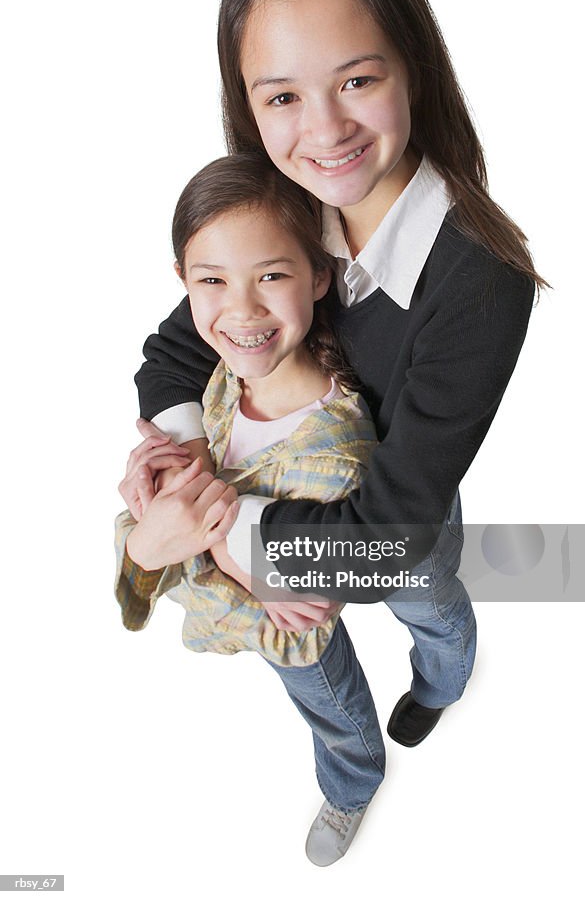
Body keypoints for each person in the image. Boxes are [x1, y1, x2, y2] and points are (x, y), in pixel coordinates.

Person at [127, 0, 545, 849]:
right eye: (280, 97)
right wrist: (185, 464)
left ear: (413, 69)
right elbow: (175, 355)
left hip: (397, 530)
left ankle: (443, 681)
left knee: (431, 610)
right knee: (317, 682)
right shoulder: (285, 205)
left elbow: (390, 536)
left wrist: (224, 536)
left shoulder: (479, 280)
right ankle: (353, 781)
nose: (324, 132)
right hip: (274, 523)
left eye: (357, 79)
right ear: (246, 100)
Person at [115, 153, 384, 866]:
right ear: (183, 284)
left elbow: (319, 594)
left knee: (337, 708)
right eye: (211, 281)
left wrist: (209, 529)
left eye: (271, 275)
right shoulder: (225, 375)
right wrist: (173, 483)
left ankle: (354, 783)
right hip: (256, 601)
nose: (240, 310)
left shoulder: (335, 452)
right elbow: (161, 543)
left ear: (319, 274)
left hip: (297, 629)